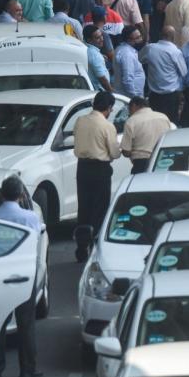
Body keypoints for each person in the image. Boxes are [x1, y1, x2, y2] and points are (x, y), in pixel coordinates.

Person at [0, 175, 43, 377]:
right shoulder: (30, 217)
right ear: (20, 195)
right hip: (24, 272)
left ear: (1, 194)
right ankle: (28, 369)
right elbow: (35, 239)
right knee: (26, 322)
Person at [73, 91, 119, 261]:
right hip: (100, 169)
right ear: (108, 108)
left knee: (84, 207)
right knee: (100, 208)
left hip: (82, 167)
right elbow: (114, 153)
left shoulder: (80, 121)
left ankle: (81, 246)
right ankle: (95, 246)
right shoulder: (107, 126)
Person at [140, 25, 187, 122]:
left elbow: (140, 59)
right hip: (171, 96)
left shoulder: (150, 48)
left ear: (160, 35)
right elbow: (184, 72)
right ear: (173, 37)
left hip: (154, 95)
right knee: (170, 123)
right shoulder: (175, 52)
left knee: (155, 122)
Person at [121, 96, 172, 174]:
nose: (129, 113)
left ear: (134, 106)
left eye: (129, 109)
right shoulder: (164, 117)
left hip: (141, 163)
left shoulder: (131, 121)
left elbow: (126, 152)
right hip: (163, 161)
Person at [114, 27, 146, 97]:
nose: (141, 39)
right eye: (137, 38)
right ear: (128, 40)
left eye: (140, 36)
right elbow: (127, 80)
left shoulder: (123, 49)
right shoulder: (127, 54)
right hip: (131, 98)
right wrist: (135, 97)